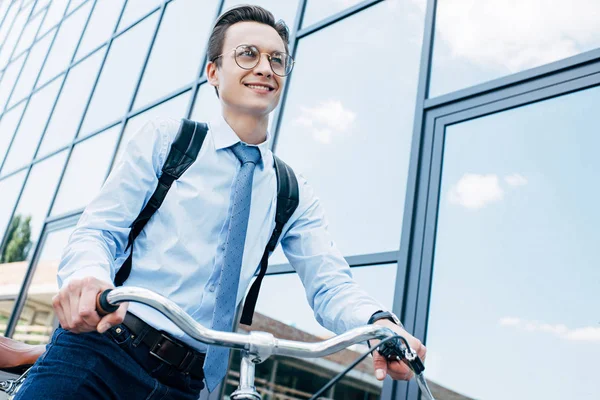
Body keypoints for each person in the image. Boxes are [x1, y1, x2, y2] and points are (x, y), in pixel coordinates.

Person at [14, 5, 426, 399]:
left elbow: (330, 282)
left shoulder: (291, 190)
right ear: (213, 71)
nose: (265, 67)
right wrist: (89, 277)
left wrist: (378, 324)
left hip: (186, 384)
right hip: (102, 352)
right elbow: (100, 230)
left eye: (277, 60)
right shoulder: (168, 140)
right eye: (248, 55)